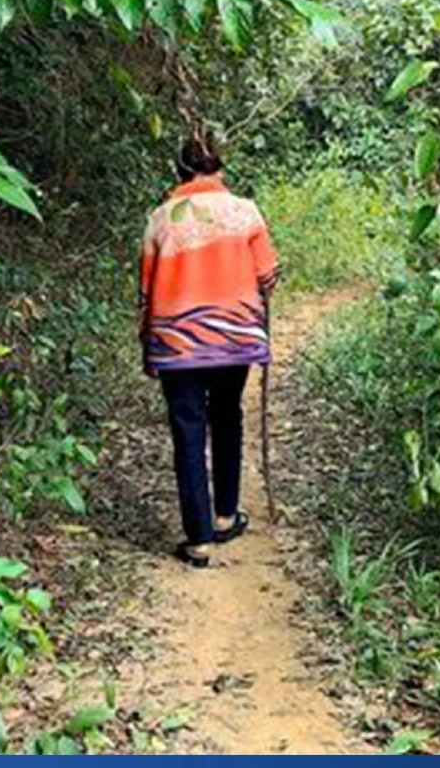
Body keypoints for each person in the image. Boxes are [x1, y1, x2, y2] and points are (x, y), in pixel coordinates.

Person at [138, 134, 279, 568]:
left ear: (179, 171)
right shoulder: (245, 211)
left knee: (188, 430)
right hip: (233, 337)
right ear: (220, 169)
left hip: (177, 340)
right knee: (227, 416)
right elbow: (268, 276)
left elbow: (145, 290)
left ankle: (198, 540)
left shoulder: (161, 219)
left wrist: (148, 345)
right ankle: (225, 516)